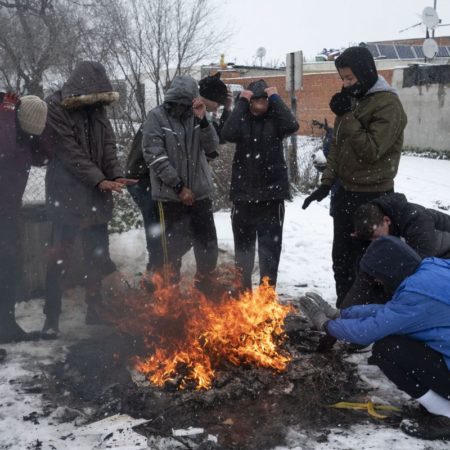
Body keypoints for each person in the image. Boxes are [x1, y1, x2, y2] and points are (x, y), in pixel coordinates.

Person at [299, 235, 450, 441]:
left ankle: (445, 413)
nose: (378, 282)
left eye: (378, 277)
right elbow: (389, 313)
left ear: (390, 269)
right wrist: (341, 314)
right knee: (400, 337)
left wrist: (326, 325)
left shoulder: (417, 293)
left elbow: (369, 331)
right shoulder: (432, 270)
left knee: (386, 349)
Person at [302, 46, 407, 307]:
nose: (346, 84)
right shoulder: (354, 99)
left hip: (374, 196)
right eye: (343, 79)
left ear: (366, 72)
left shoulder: (388, 104)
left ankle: (369, 324)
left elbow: (371, 151)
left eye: (350, 78)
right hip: (346, 193)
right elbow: (338, 146)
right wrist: (327, 183)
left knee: (369, 264)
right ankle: (346, 314)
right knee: (342, 260)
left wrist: (347, 117)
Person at [43, 61, 136, 335]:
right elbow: (69, 152)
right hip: (67, 194)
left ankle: (95, 309)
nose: (97, 105)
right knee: (59, 257)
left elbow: (108, 146)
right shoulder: (56, 107)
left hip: (97, 195)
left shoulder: (97, 110)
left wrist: (115, 175)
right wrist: (99, 179)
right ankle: (52, 318)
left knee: (96, 255)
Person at [126, 73, 230, 277]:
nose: (217, 107)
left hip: (187, 188)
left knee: (200, 240)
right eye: (217, 103)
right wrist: (178, 187)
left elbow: (212, 148)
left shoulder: (198, 116)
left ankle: (199, 284)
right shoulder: (157, 118)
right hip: (145, 180)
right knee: (163, 241)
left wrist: (204, 122)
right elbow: (154, 155)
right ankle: (158, 280)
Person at [221, 79, 299, 290]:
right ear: (249, 101)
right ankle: (243, 293)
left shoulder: (276, 120)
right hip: (243, 195)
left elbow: (293, 125)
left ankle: (267, 295)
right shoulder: (241, 119)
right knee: (243, 250)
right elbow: (227, 133)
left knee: (270, 249)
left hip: (272, 196)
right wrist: (240, 103)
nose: (260, 103)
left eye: (264, 99)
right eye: (256, 99)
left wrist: (276, 98)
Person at [340, 192, 450, 309]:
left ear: (386, 220)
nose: (374, 243)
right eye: (370, 240)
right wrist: (344, 311)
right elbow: (365, 274)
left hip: (443, 256)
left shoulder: (417, 220)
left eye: (377, 237)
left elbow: (421, 267)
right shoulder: (375, 226)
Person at [0, 92, 48, 343]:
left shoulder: (25, 142)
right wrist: (7, 113)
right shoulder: (6, 134)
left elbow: (44, 156)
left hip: (8, 213)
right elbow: (5, 147)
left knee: (9, 271)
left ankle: (6, 327)